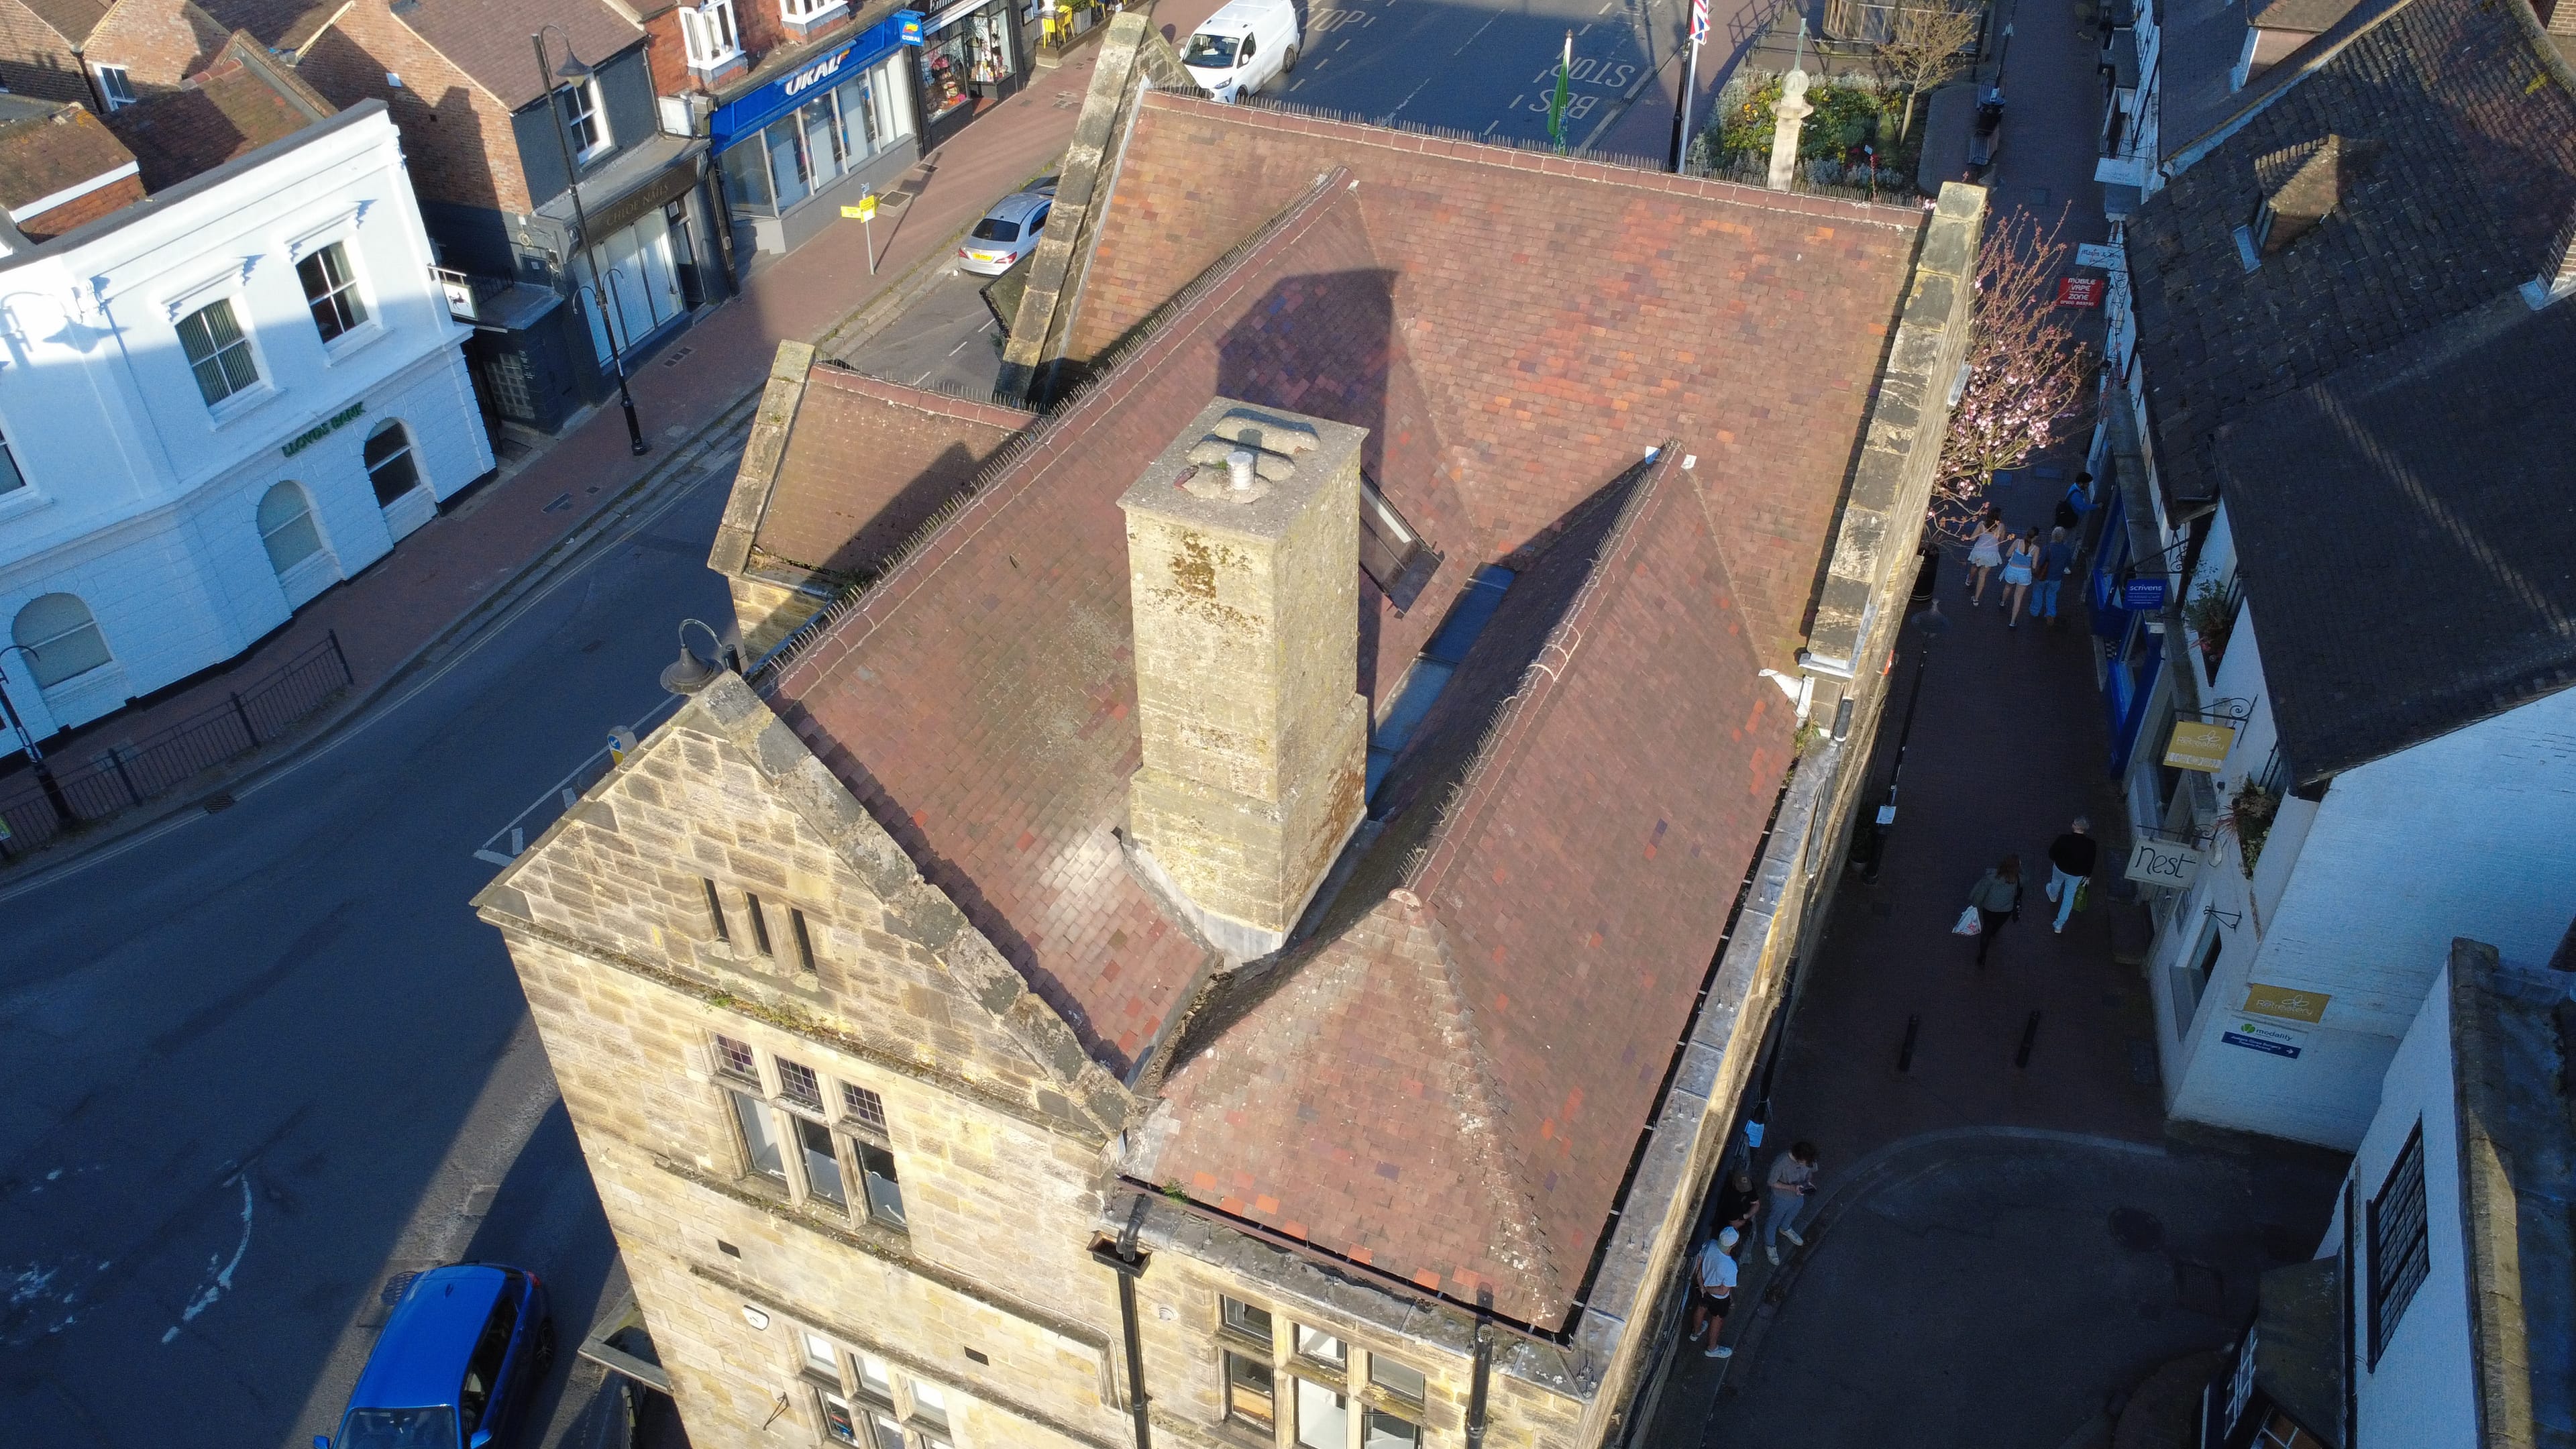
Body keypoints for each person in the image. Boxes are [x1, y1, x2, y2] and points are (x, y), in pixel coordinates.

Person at [1762, 1141, 1821, 1265]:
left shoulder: (1808, 1159)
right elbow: (1771, 1182)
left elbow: (1810, 1171)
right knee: (1773, 1221)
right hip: (1781, 1198)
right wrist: (1792, 1188)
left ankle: (1785, 1228)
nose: (1808, 1164)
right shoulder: (1781, 1163)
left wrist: (1807, 1183)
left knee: (1796, 1209)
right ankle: (1770, 1245)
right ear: (1799, 1159)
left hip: (1798, 1196)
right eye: (1805, 1163)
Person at [1688, 1227, 1741, 1357]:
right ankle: (1712, 1349)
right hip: (1718, 1298)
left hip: (1702, 1287)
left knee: (1701, 1308)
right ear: (1733, 1245)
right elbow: (1723, 1291)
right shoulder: (1731, 1267)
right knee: (1717, 1320)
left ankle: (1696, 1332)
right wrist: (1706, 1288)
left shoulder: (1709, 1244)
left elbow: (1698, 1263)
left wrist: (1701, 1284)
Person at [1968, 855, 2023, 965]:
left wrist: (1974, 906)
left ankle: (1982, 957)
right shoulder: (2018, 880)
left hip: (1990, 909)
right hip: (2006, 910)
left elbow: (1980, 895)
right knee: (1998, 924)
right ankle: (1994, 932)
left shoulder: (1991, 879)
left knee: (1986, 930)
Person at [2046, 817, 2097, 933]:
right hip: (2077, 875)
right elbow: (2091, 861)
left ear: (2076, 826)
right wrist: (2088, 875)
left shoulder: (2064, 839)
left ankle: (2053, 895)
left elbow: (2052, 853)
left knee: (2056, 883)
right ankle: (2059, 925)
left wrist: (2057, 859)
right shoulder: (2091, 844)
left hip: (2060, 868)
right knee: (2069, 897)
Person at [2034, 525, 2076, 626]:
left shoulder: (2047, 548)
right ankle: (2051, 613)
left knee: (2038, 592)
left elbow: (2040, 562)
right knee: (2052, 594)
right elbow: (2069, 563)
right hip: (2057, 577)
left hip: (2044, 575)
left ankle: (2035, 611)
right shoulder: (2066, 550)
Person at [1966, 511, 2005, 606]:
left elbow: (1972, 538)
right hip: (1991, 554)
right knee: (1982, 575)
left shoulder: (1982, 524)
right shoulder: (2001, 526)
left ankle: (1969, 580)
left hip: (1979, 551)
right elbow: (2001, 540)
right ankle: (1976, 599)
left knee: (1974, 566)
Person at [1999, 532, 2037, 627]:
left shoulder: (2017, 542)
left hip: (2012, 569)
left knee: (2008, 587)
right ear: (2036, 537)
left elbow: (2008, 554)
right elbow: (2034, 565)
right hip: (2024, 573)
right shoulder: (2035, 549)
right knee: (2018, 597)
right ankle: (2012, 622)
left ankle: (2002, 601)